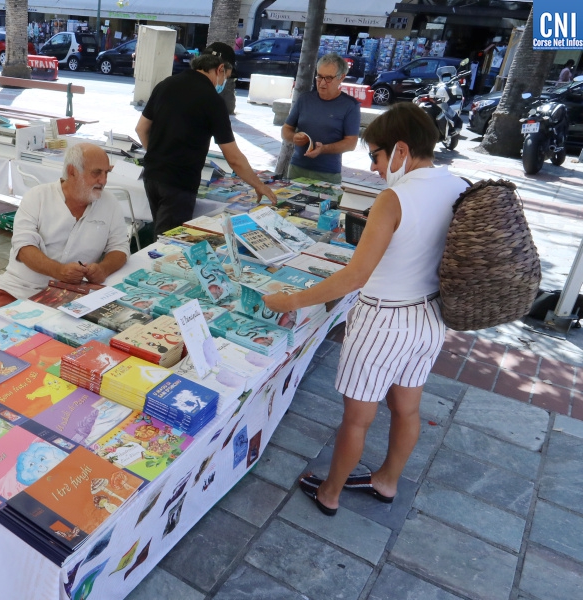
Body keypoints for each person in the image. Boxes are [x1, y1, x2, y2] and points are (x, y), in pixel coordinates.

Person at [262, 103, 468, 516]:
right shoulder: (460, 184)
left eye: (376, 155)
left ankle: (330, 493)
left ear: (401, 150)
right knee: (407, 407)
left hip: (383, 320)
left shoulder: (394, 198)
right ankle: (387, 482)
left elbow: (356, 276)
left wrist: (292, 300)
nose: (374, 167)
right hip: (429, 316)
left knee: (357, 417)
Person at [135, 42, 276, 235]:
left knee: (161, 234)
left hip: (152, 175)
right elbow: (233, 157)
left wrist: (158, 155)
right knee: (168, 244)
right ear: (220, 69)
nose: (224, 82)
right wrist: (258, 185)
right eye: (226, 76)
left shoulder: (166, 84)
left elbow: (141, 128)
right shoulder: (212, 100)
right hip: (179, 182)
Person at [0, 143, 130, 320]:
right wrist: (59, 271)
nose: (103, 181)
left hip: (75, 295)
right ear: (72, 171)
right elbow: (24, 247)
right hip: (20, 290)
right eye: (96, 173)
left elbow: (120, 247)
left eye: (106, 173)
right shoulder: (38, 196)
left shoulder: (109, 203)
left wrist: (104, 269)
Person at [281, 53, 361, 184]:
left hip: (327, 173)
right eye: (319, 76)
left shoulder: (350, 105)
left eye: (329, 78)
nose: (322, 83)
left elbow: (351, 143)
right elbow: (286, 130)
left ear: (341, 78)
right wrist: (293, 137)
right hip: (297, 168)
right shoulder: (305, 99)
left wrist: (324, 149)